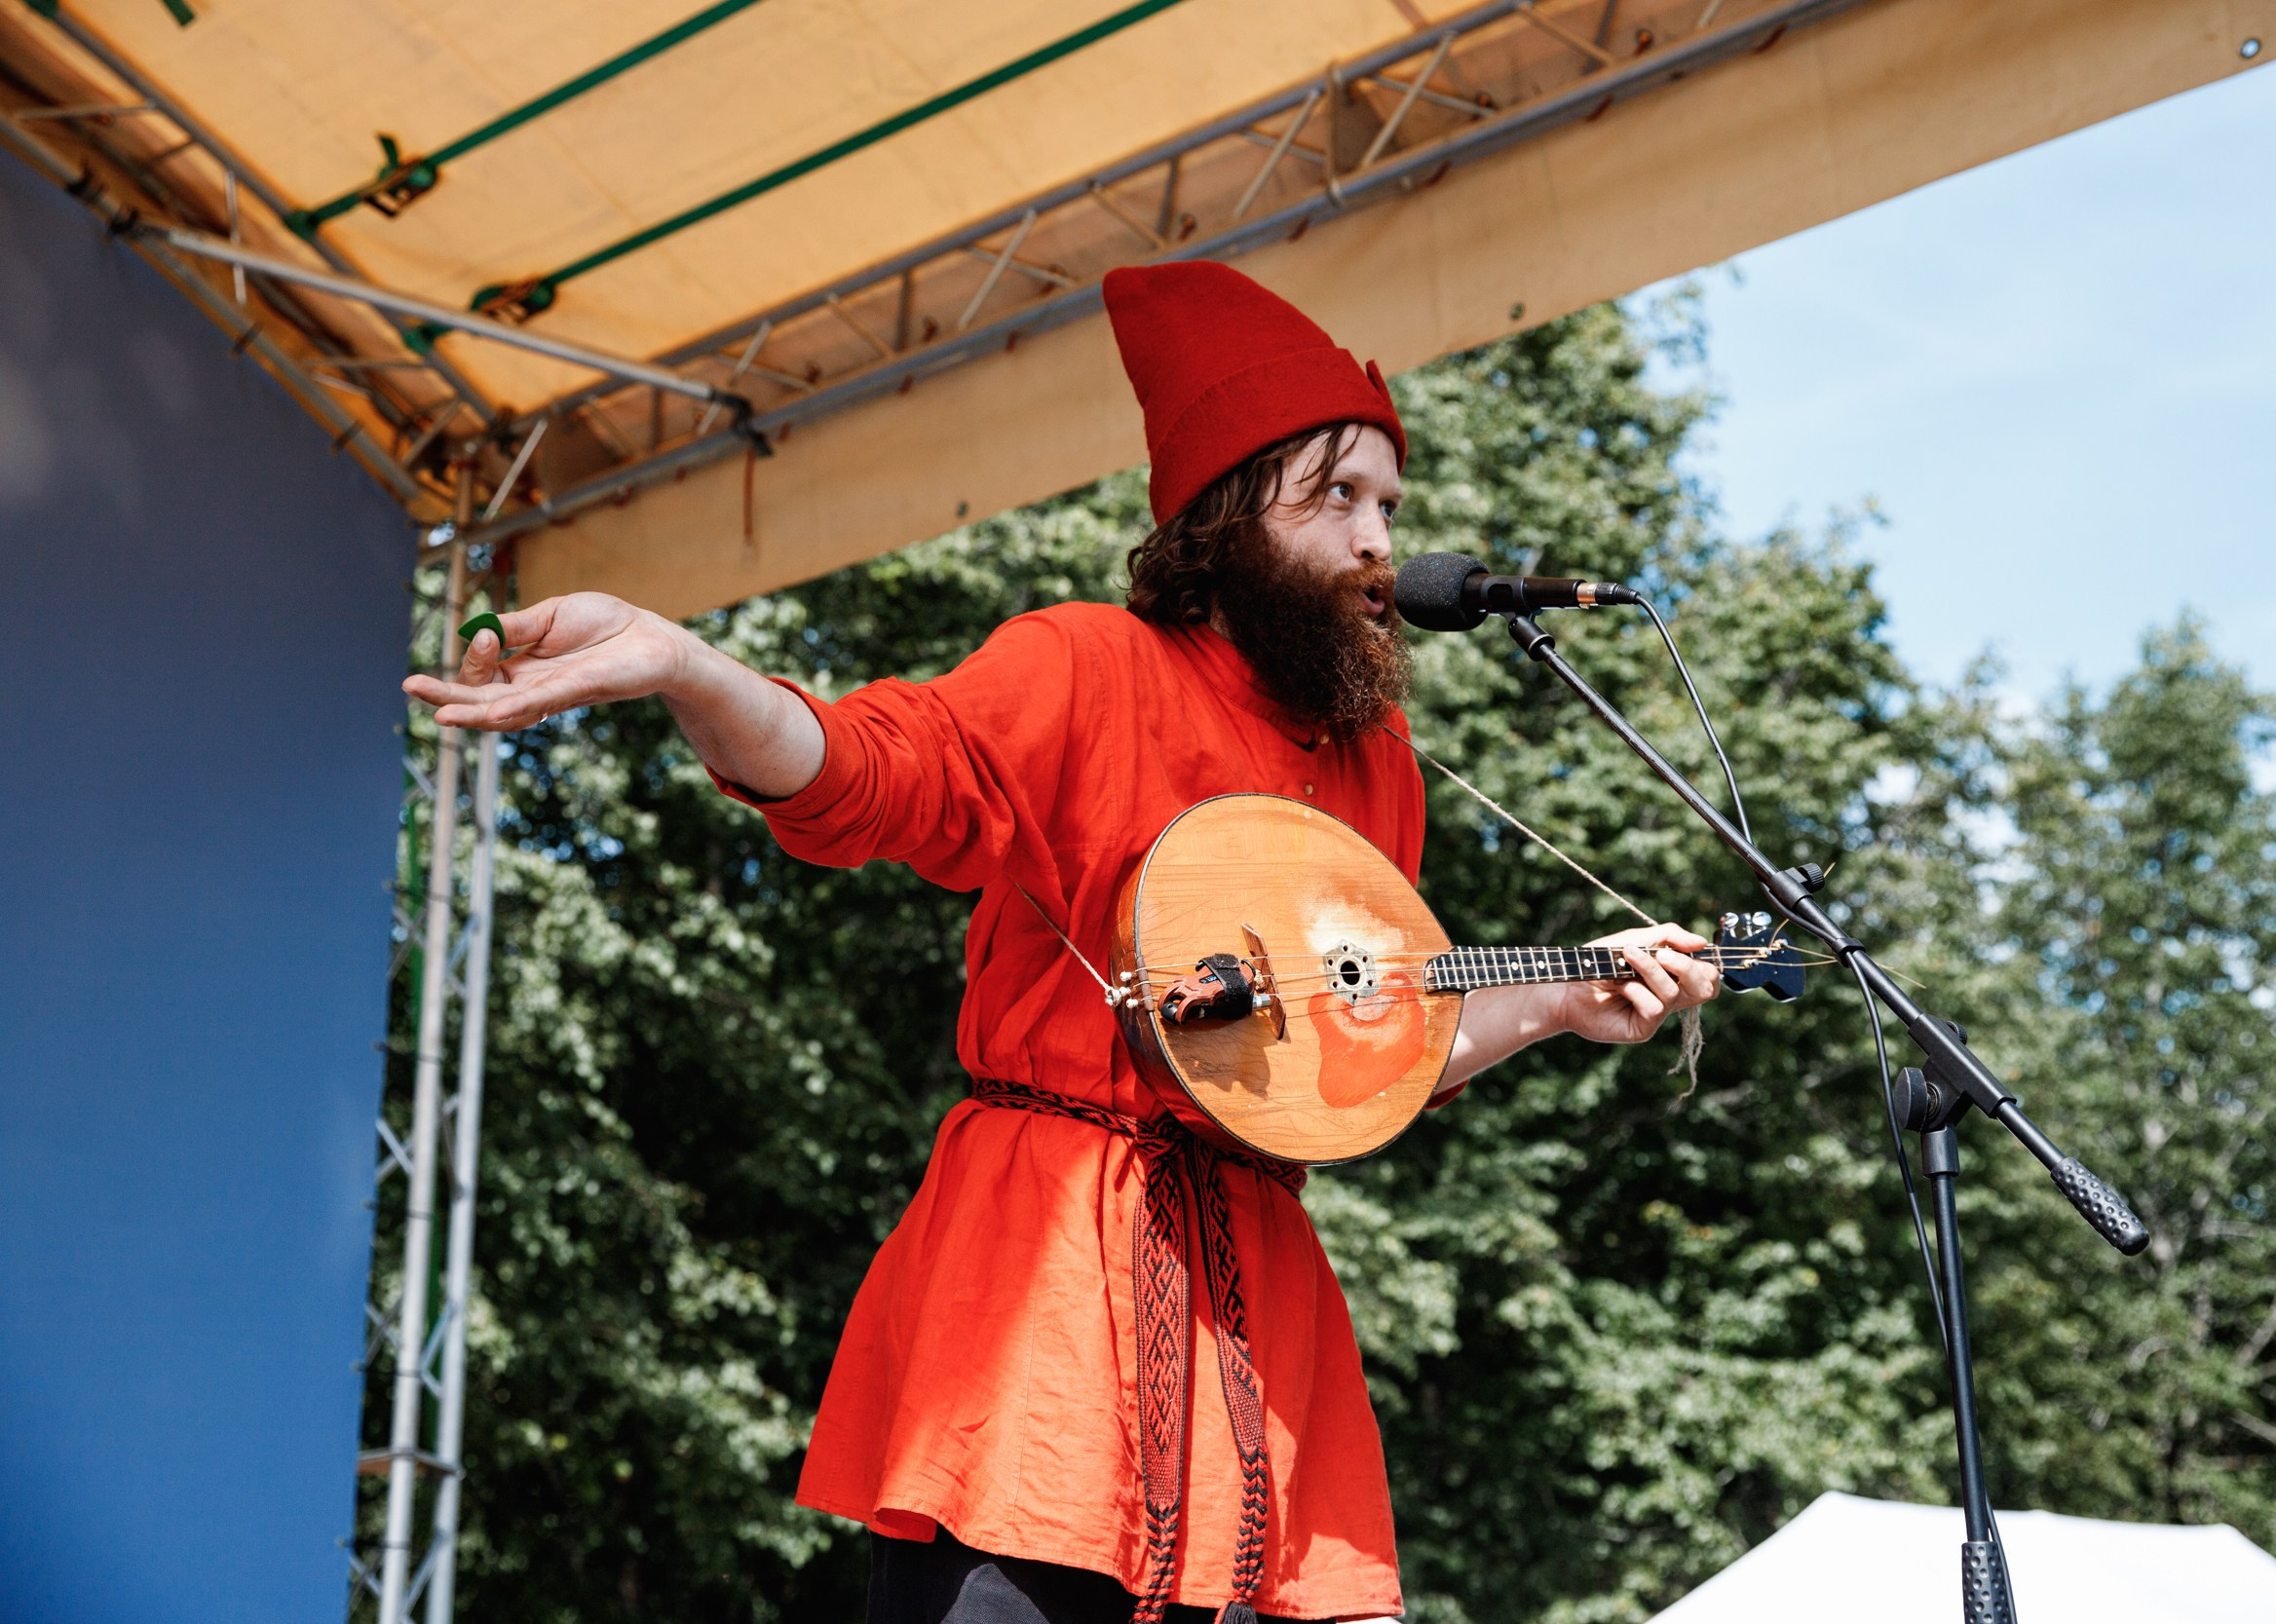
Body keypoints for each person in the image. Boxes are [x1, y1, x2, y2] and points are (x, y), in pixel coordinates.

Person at [406, 262, 1720, 1624]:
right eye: (1336, 496)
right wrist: (692, 668)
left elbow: (1378, 1049)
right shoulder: (1085, 665)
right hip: (1044, 1287)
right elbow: (865, 773)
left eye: (1389, 502)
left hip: (1260, 1310)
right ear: (1227, 516)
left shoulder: (1383, 769)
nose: (1380, 539)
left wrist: (1564, 999)